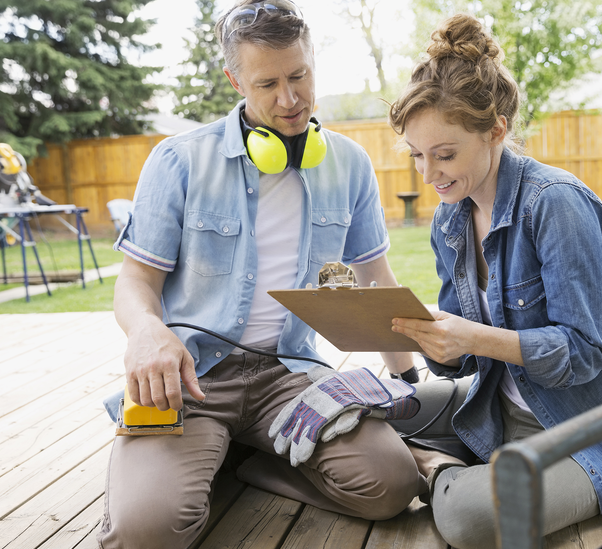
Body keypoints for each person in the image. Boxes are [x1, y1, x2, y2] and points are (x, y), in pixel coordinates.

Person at [99, 2, 426, 546]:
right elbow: (135, 282)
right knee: (147, 532)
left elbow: (376, 278)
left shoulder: (348, 163)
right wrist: (147, 331)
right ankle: (196, 456)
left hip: (290, 375)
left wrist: (410, 382)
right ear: (234, 80)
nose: (290, 98)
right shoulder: (177, 161)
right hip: (192, 378)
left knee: (392, 484)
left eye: (299, 75)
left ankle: (253, 464)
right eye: (268, 83)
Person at [387, 14, 602, 549]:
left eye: (445, 154)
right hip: (499, 406)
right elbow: (459, 359)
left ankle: (436, 469)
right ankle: (463, 460)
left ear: (495, 131)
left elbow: (585, 352)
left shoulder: (555, 203)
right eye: (417, 155)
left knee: (468, 518)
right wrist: (428, 336)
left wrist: (472, 337)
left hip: (587, 432)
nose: (429, 173)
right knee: (369, 415)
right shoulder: (450, 218)